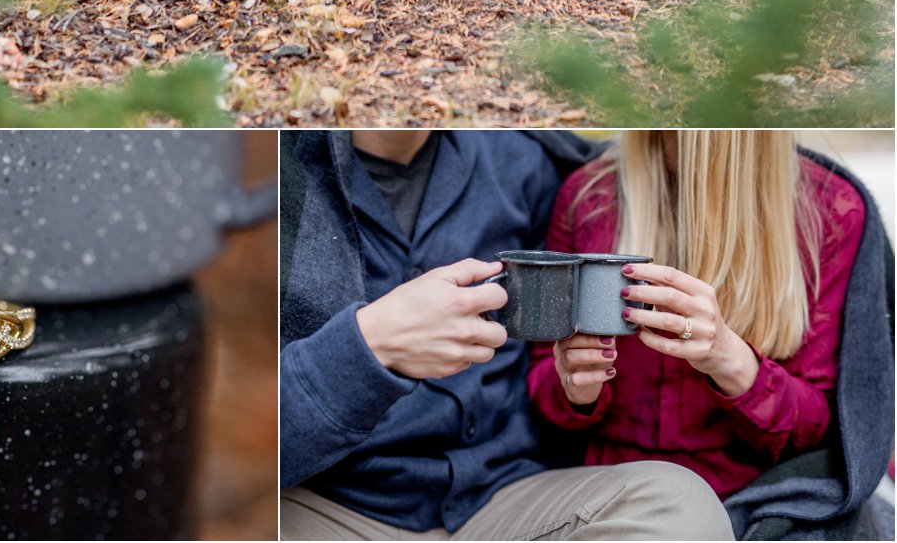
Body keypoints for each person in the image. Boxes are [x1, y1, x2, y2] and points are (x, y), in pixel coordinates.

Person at [280, 129, 736, 541]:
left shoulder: (519, 161)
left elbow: (664, 159)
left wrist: (576, 388)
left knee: (680, 504)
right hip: (328, 505)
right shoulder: (277, 175)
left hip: (503, 500)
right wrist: (371, 344)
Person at [527, 129, 893, 539]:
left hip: (764, 502)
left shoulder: (830, 208)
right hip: (614, 499)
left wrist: (733, 362)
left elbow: (835, 432)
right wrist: (577, 390)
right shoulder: (589, 195)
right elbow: (542, 380)